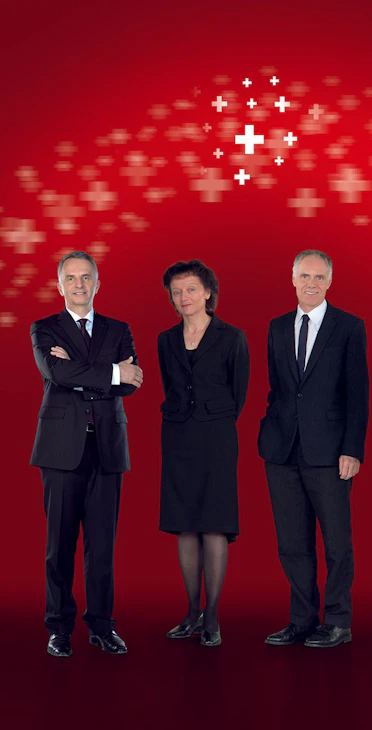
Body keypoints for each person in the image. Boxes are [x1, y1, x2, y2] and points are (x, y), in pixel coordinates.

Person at [31, 251, 144, 657]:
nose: (79, 285)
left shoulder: (119, 329)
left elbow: (134, 383)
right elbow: (55, 373)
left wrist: (79, 370)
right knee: (59, 544)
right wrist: (111, 371)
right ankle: (59, 628)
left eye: (86, 278)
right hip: (61, 449)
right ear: (59, 286)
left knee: (102, 546)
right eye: (71, 278)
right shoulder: (44, 328)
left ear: (98, 284)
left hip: (108, 447)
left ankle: (102, 625)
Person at [258, 250, 369, 649]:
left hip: (331, 452)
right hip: (282, 451)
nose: (311, 283)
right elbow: (278, 389)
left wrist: (352, 449)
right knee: (292, 542)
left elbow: (358, 394)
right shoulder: (276, 327)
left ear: (329, 281)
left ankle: (338, 621)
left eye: (319, 277)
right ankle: (302, 620)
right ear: (292, 279)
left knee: (337, 542)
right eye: (304, 275)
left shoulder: (349, 327)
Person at [157, 260, 250, 648]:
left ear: (208, 292)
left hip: (216, 438)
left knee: (214, 523)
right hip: (178, 437)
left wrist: (214, 418)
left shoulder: (232, 337)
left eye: (191, 289)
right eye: (177, 292)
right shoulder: (165, 339)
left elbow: (239, 391)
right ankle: (191, 611)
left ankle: (212, 615)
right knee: (185, 524)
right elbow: (170, 384)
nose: (184, 298)